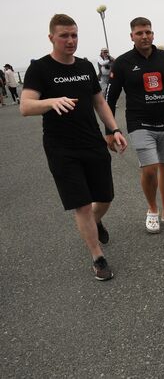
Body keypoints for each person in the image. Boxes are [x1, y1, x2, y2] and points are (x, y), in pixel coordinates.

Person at [19, 14, 128, 280]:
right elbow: (25, 105)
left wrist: (114, 129)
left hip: (92, 141)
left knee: (104, 197)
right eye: (64, 36)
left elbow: (99, 102)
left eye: (74, 35)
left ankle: (95, 220)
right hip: (61, 148)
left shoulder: (85, 66)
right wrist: (50, 102)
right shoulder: (40, 69)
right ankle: (97, 256)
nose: (70, 40)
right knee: (80, 204)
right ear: (51, 38)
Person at [105, 17, 164, 233]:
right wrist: (109, 130)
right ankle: (152, 210)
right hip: (139, 123)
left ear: (153, 34)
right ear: (131, 36)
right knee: (150, 169)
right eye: (140, 33)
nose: (145, 36)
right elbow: (110, 99)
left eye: (148, 32)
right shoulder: (122, 62)